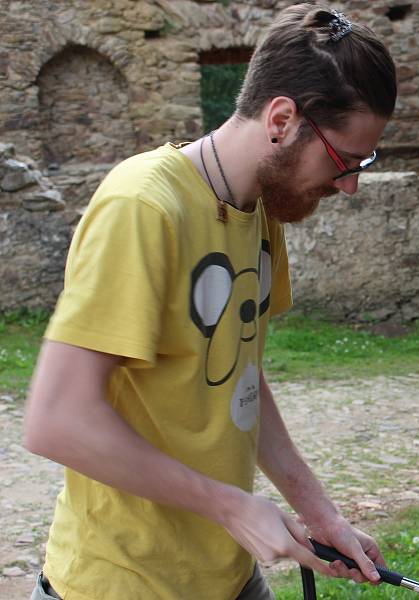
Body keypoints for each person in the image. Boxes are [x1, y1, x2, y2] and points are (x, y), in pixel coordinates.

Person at [23, 4, 397, 599]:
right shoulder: (143, 207)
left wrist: (317, 509)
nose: (349, 184)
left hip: (228, 576)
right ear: (281, 119)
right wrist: (231, 507)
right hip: (125, 585)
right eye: (344, 160)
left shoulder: (261, 208)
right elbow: (55, 422)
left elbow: (238, 375)